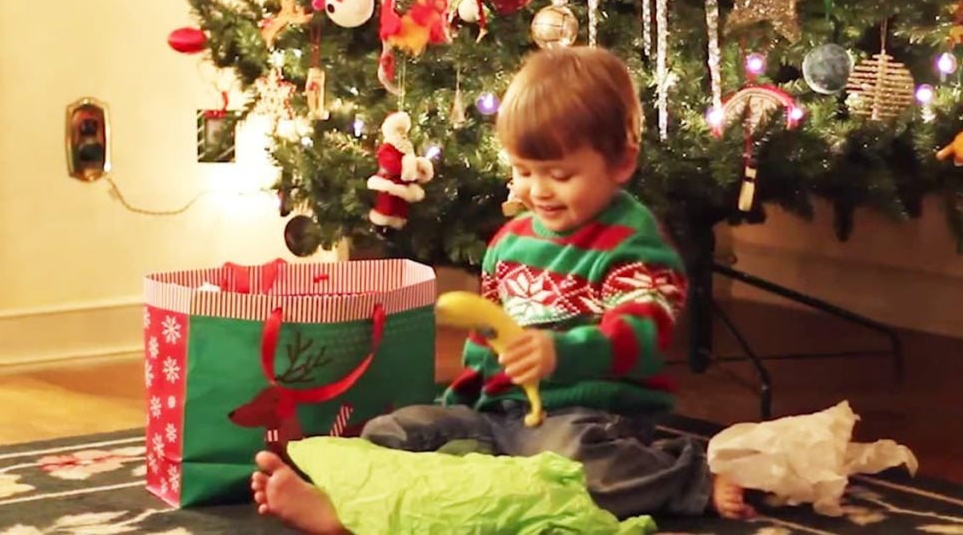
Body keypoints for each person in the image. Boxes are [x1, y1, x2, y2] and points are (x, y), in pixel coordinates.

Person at [251, 46, 754, 534]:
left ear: (620, 162)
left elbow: (642, 335)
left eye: (560, 174)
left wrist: (560, 354)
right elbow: (485, 336)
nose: (538, 190)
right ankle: (362, 504)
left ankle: (686, 479)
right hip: (496, 417)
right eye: (523, 171)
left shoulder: (633, 241)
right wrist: (461, 400)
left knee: (581, 468)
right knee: (394, 434)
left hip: (587, 417)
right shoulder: (510, 241)